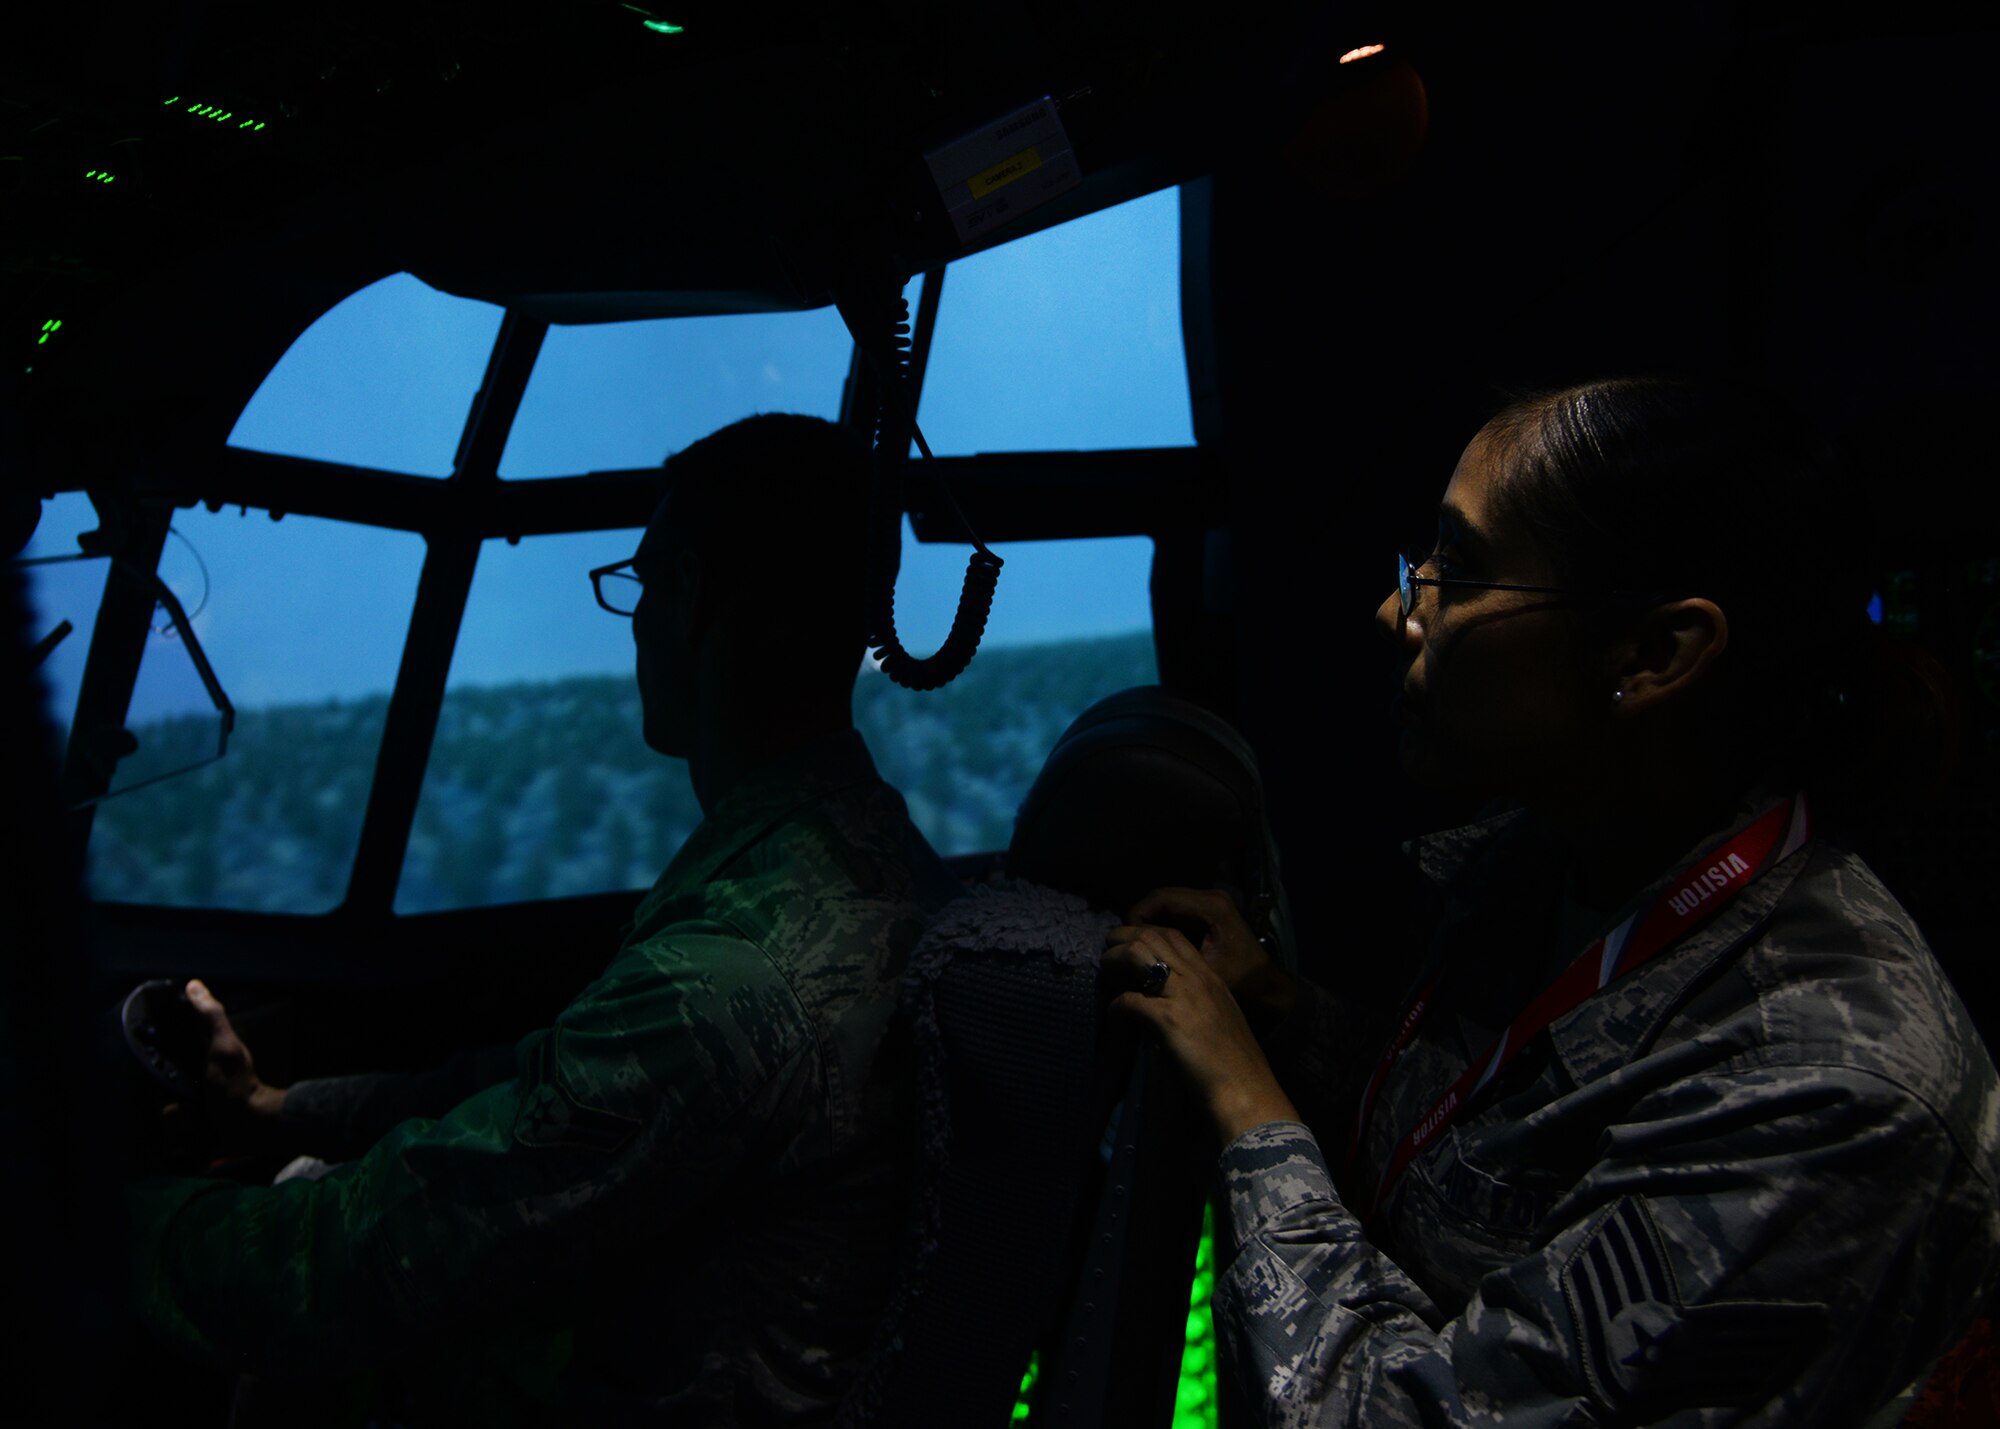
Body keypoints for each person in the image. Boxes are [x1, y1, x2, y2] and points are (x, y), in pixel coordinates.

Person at [1104, 377, 2000, 1425]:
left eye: (1459, 570)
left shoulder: (1827, 1092)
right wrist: (1290, 1025)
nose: (1398, 609)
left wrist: (1247, 1103)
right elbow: (1488, 1160)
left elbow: (1405, 1414)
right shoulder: (1553, 859)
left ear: (1652, 655)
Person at [130, 413, 963, 1423]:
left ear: (697, 602)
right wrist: (276, 1108)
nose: (636, 618)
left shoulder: (730, 978)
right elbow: (541, 1088)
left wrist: (96, 1218)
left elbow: (362, 1260)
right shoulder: (859, 849)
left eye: (647, 583)